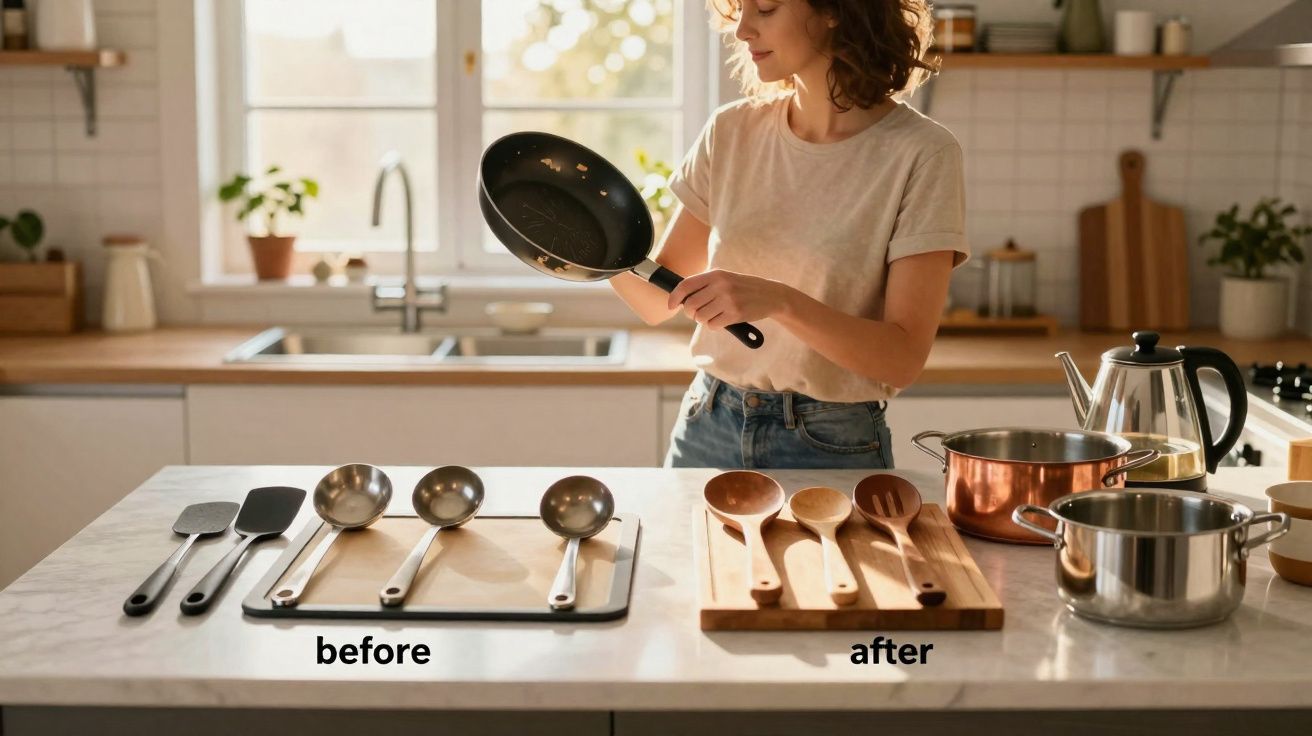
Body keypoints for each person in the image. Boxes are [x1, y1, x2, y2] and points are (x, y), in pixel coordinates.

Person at [610, 0, 968, 469]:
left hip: (831, 442)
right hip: (707, 425)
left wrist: (781, 301)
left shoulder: (922, 153)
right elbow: (657, 299)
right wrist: (582, 242)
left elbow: (901, 358)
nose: (741, 31)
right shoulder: (731, 130)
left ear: (835, 10)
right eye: (740, 11)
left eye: (765, 9)